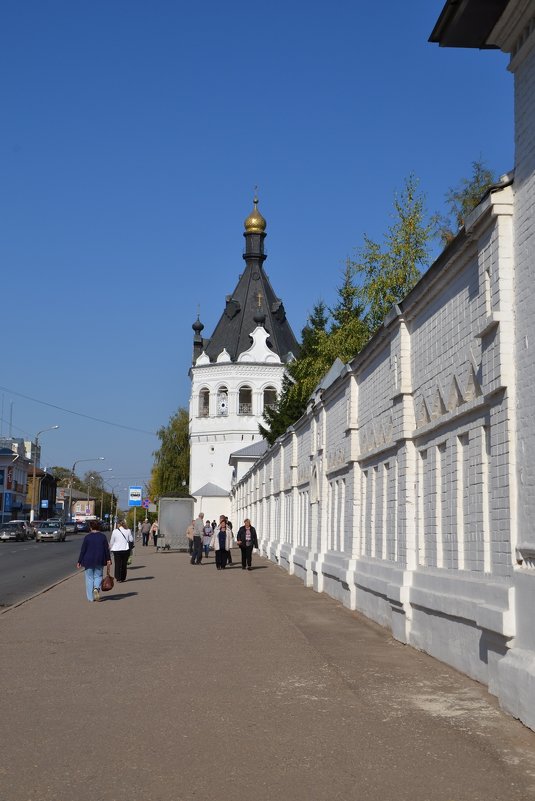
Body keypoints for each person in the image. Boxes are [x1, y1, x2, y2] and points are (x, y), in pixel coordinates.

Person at [76, 519, 112, 602]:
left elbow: (83, 550)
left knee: (89, 578)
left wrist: (79, 561)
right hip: (100, 559)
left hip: (88, 560)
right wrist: (108, 559)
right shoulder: (103, 537)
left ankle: (90, 598)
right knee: (98, 576)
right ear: (98, 527)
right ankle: (96, 588)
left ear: (91, 527)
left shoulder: (87, 537)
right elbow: (106, 550)